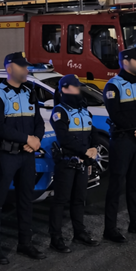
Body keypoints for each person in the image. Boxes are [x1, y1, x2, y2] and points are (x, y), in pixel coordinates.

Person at [0, 52, 46, 264]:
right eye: (22, 67)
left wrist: (36, 139)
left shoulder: (29, 92)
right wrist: (27, 139)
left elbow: (38, 121)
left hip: (26, 156)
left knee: (25, 200)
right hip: (5, 156)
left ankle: (25, 244)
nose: (26, 70)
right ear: (9, 69)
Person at [101, 48, 136, 243]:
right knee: (116, 184)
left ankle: (135, 222)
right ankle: (110, 228)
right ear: (126, 62)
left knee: (134, 183)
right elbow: (115, 114)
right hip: (122, 140)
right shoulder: (113, 86)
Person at [48, 74, 101, 253]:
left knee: (79, 200)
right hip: (67, 163)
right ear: (64, 89)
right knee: (60, 201)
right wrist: (84, 151)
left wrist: (93, 147)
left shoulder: (84, 110)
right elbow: (65, 139)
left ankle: (80, 232)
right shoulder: (59, 111)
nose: (78, 90)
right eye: (75, 87)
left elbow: (92, 132)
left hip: (82, 163)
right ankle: (56, 238)